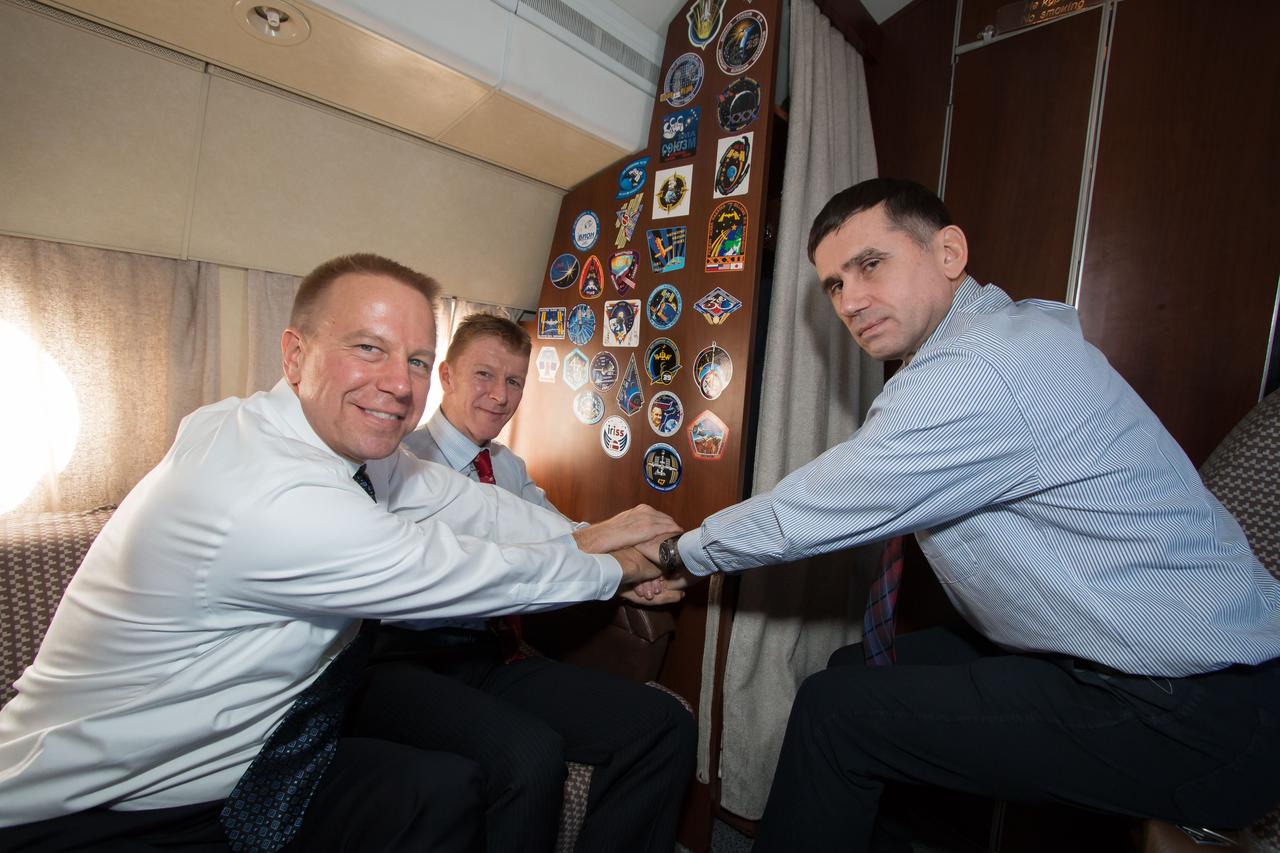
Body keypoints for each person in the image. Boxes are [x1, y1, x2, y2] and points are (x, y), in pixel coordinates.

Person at [650, 179, 1280, 851]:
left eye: (870, 264)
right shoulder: (999, 332)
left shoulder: (975, 369)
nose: (852, 301)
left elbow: (809, 510)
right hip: (1136, 661)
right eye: (835, 285)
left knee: (836, 716)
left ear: (949, 251)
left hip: (1199, 711)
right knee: (851, 672)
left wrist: (676, 553)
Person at [0, 253, 671, 851]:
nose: (401, 384)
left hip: (255, 758)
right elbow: (457, 570)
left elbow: (464, 504)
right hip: (100, 807)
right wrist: (616, 569)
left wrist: (607, 532)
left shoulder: (305, 436)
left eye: (413, 359)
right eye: (368, 347)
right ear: (295, 355)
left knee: (438, 790)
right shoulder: (270, 492)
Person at [360, 313, 696, 853]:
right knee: (531, 756)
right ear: (446, 376)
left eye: (514, 381)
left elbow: (564, 533)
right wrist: (618, 558)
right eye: (485, 376)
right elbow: (496, 560)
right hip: (403, 659)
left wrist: (633, 576)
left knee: (663, 724)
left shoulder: (507, 467)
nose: (500, 396)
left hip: (491, 654)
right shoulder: (397, 460)